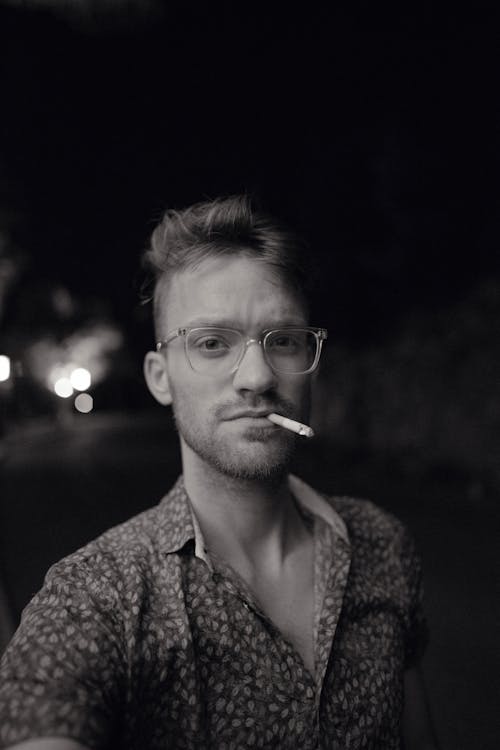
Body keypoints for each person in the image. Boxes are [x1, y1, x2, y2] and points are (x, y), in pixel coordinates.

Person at [0, 195, 439, 749]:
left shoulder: (383, 545)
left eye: (282, 341)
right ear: (160, 378)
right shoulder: (95, 599)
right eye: (211, 343)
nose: (256, 375)